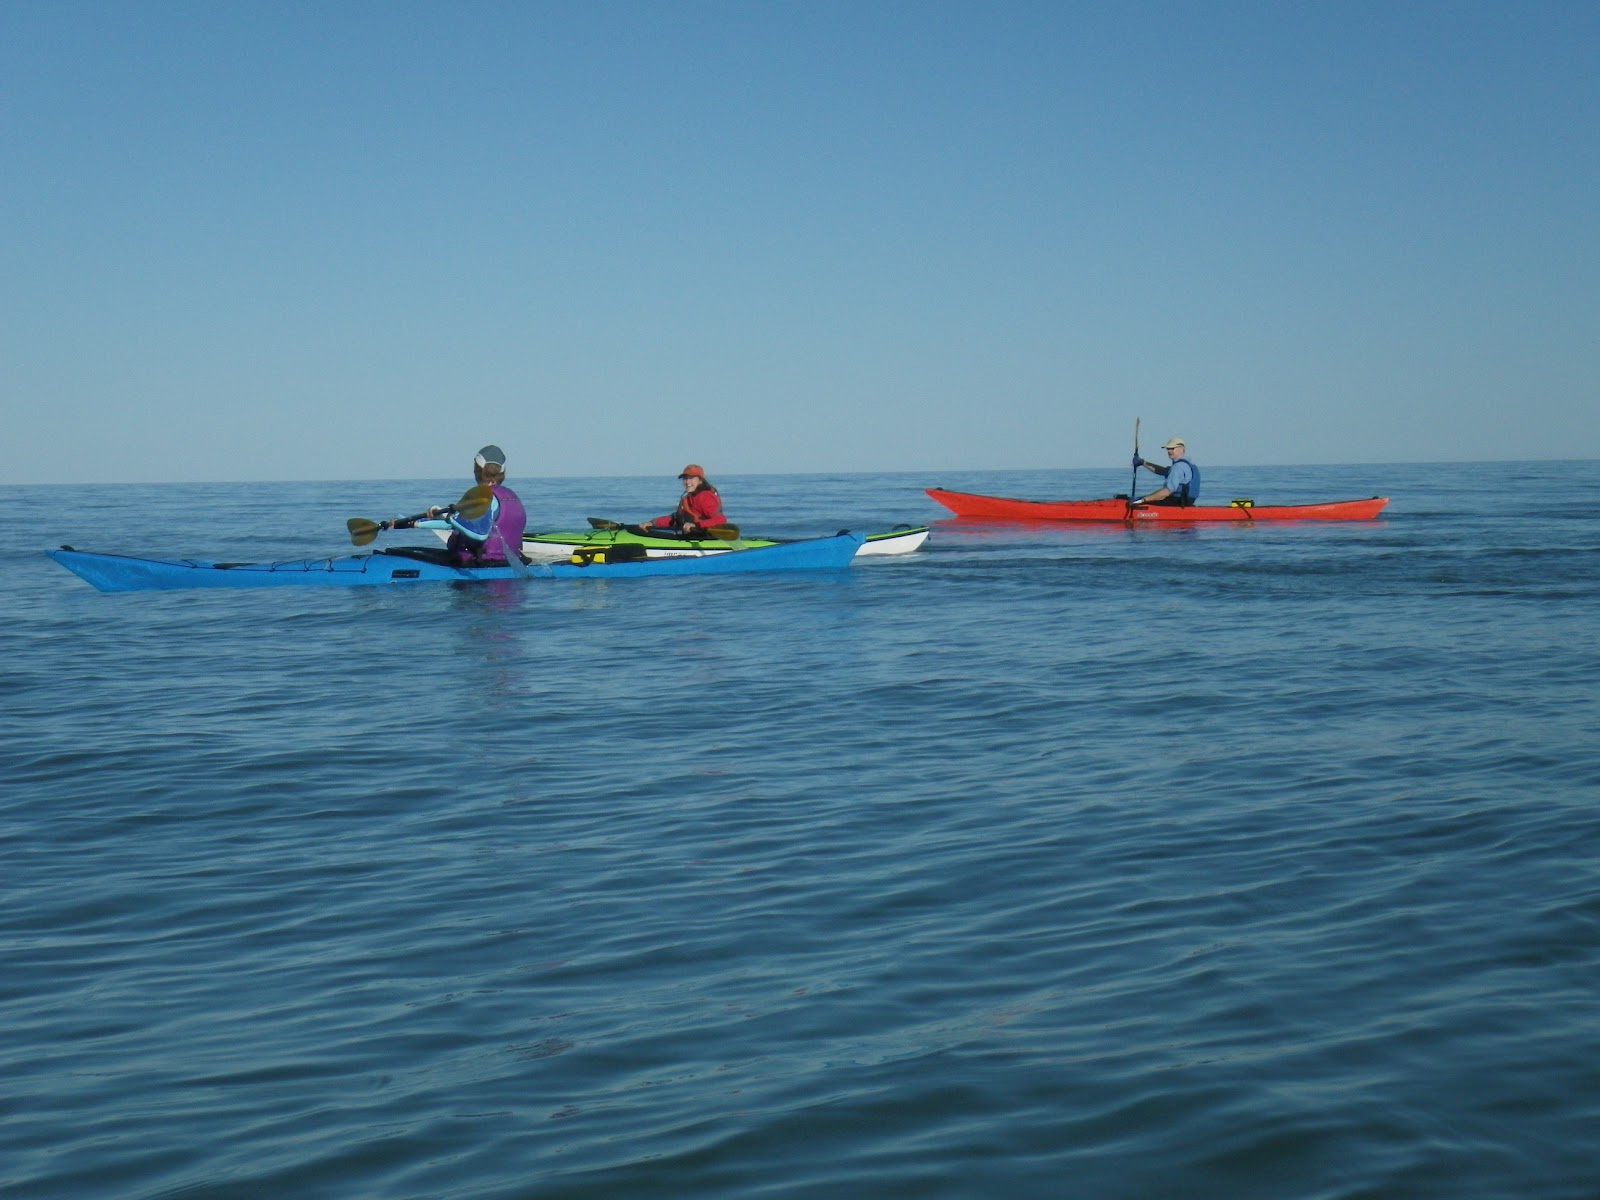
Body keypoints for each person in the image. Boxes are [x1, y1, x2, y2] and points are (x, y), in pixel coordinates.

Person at [428, 444, 528, 564]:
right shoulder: (512, 498)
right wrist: (439, 517)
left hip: (481, 563)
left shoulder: (482, 498)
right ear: (502, 473)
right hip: (509, 563)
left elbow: (477, 532)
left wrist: (446, 518)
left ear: (477, 471)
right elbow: (462, 523)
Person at [634, 464, 727, 536]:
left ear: (700, 480)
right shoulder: (687, 498)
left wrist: (697, 525)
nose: (687, 482)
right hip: (691, 535)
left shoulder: (705, 496)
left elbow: (720, 519)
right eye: (685, 478)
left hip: (704, 537)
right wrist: (652, 523)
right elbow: (675, 519)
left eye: (691, 478)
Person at [1131, 437, 1201, 506]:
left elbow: (1167, 491)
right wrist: (1143, 462)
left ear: (1181, 449)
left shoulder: (1178, 467)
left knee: (1142, 501)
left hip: (1179, 502)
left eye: (1172, 448)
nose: (1169, 451)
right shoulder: (1188, 464)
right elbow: (1162, 470)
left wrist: (1143, 499)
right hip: (1187, 502)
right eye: (1168, 449)